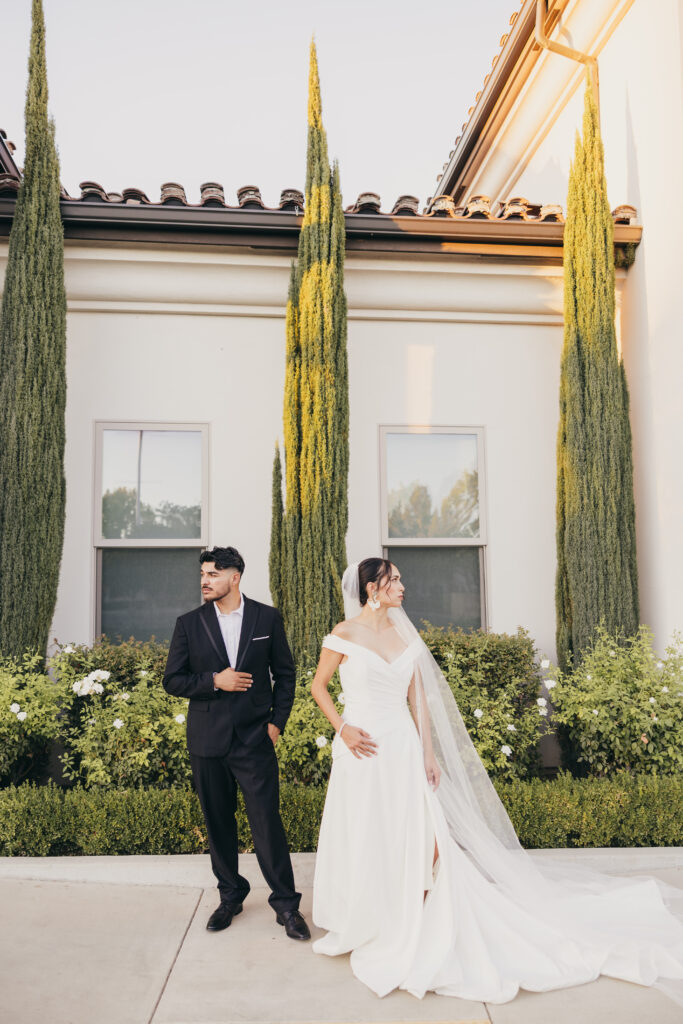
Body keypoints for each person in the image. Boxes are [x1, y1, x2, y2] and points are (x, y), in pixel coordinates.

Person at [310, 557, 683, 1003]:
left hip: (402, 746)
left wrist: (428, 753)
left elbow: (419, 701)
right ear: (372, 588)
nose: (403, 586)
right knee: (365, 828)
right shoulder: (344, 633)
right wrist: (343, 728)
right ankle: (368, 913)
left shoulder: (405, 636)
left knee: (418, 830)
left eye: (402, 579)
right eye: (395, 581)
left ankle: (410, 908)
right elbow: (318, 686)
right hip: (359, 748)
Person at [163, 545, 310, 941]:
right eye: (202, 575)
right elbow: (172, 680)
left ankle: (286, 905)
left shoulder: (267, 617)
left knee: (267, 822)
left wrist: (277, 724)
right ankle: (231, 895)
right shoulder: (189, 624)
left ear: (235, 577)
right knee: (218, 823)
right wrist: (214, 680)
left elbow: (286, 674)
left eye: (212, 574)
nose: (205, 581)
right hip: (207, 740)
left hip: (254, 740)